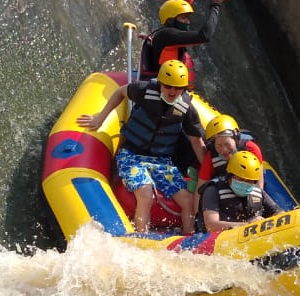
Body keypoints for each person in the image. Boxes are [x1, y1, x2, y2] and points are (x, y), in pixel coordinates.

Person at [77, 59, 206, 234]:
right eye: (168, 86)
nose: (172, 91)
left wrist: (209, 171)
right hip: (131, 154)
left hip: (161, 161)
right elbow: (120, 92)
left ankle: (189, 236)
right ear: (160, 83)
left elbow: (196, 142)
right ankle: (142, 236)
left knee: (187, 200)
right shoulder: (144, 91)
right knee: (145, 194)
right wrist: (100, 118)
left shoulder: (187, 109)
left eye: (177, 87)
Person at [139, 0, 226, 82]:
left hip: (171, 84)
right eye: (183, 18)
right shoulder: (168, 35)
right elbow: (205, 36)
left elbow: (176, 18)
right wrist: (216, 5)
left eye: (187, 18)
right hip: (164, 87)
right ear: (171, 21)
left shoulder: (165, 34)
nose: (187, 22)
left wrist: (188, 0)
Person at [198, 150, 282, 233]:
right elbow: (211, 226)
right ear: (230, 175)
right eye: (241, 179)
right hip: (219, 240)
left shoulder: (258, 192)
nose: (245, 183)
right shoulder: (212, 190)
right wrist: (248, 225)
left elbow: (279, 214)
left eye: (249, 181)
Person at [197, 114, 265, 190]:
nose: (224, 150)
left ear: (236, 139)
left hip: (247, 187)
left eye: (227, 144)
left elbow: (259, 183)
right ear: (214, 146)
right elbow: (200, 186)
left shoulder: (251, 149)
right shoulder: (211, 156)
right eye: (219, 146)